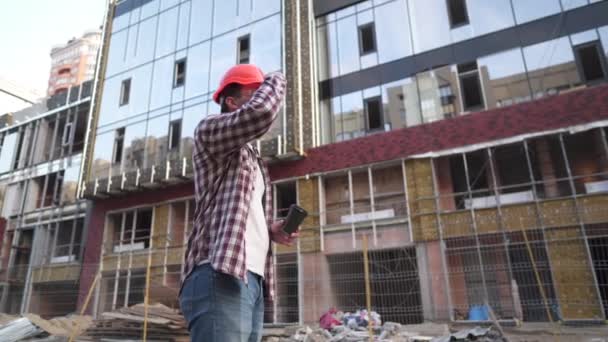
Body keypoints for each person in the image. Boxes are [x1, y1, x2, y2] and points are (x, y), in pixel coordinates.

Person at [179, 64, 297, 342]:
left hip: (251, 277)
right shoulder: (209, 130)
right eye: (254, 92)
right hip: (218, 272)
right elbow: (262, 112)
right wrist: (277, 76)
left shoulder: (253, 157)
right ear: (231, 102)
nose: (261, 97)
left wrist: (271, 229)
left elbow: (238, 211)